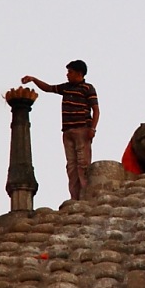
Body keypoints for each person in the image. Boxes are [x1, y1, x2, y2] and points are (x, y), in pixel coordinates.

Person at [21, 60, 99, 200]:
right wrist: (33, 79)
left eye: (70, 72)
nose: (67, 75)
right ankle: (75, 197)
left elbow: (96, 110)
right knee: (71, 166)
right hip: (67, 131)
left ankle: (86, 195)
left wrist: (92, 128)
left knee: (83, 164)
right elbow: (48, 88)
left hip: (82, 129)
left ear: (79, 74)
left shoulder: (88, 88)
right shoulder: (66, 87)